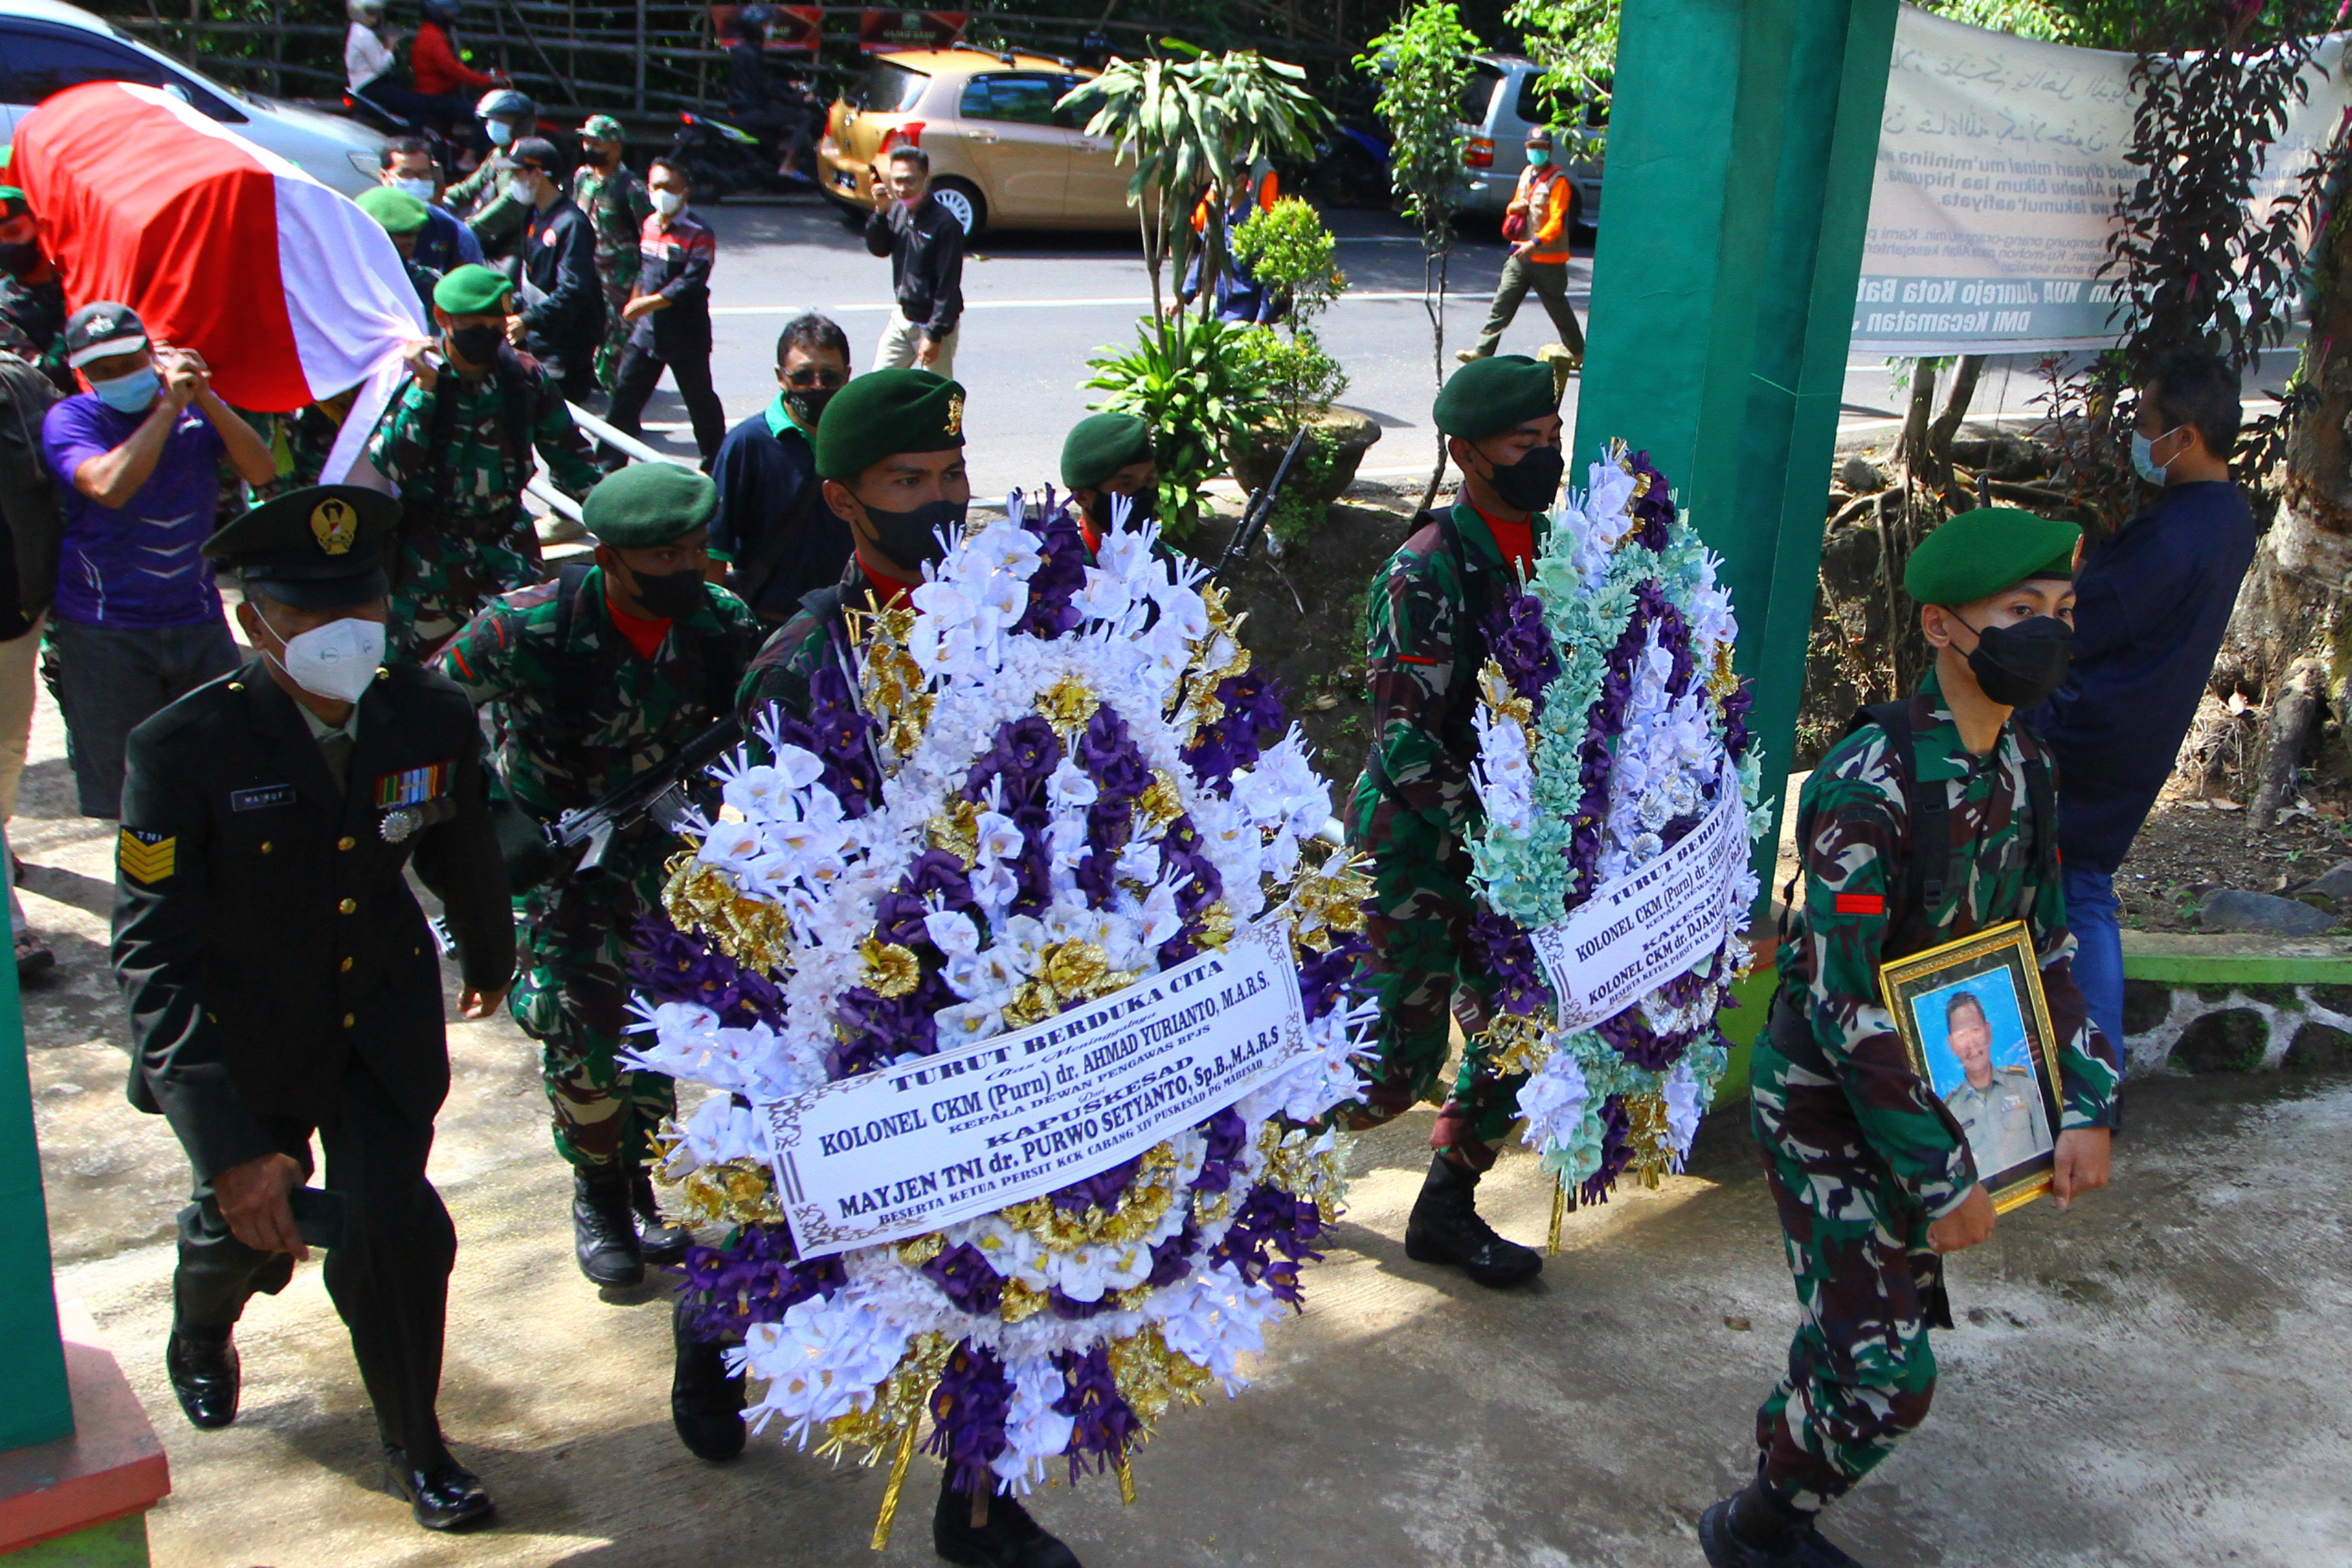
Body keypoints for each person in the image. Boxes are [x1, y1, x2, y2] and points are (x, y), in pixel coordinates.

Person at [1699, 506, 2119, 1568]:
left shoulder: (2026, 767)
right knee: (1893, 1381)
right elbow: (1843, 1004)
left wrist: (2087, 1102)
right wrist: (1941, 1176)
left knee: (1862, 1331)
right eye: (2020, 612)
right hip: (1831, 1103)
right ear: (1940, 626)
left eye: (2060, 612)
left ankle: (1799, 1423)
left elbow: (2048, 946)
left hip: (1932, 1082)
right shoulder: (1864, 782)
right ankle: (1755, 1528)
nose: (2048, 632)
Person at [723, 371, 1081, 1567]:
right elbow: (773, 900)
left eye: (952, 473)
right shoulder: (800, 664)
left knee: (1010, 1248)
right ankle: (706, 1325)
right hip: (869, 1026)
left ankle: (980, 1498)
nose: (942, 499)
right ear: (842, 499)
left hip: (1009, 1002)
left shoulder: (1019, 626)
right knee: (791, 1240)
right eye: (907, 482)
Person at [111, 485, 514, 1531]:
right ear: (256, 623)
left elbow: (456, 838)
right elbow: (153, 955)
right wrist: (226, 1143)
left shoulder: (425, 711)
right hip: (249, 1036)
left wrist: (488, 944)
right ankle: (202, 1324)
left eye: (362, 606)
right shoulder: (183, 748)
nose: (345, 633)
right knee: (246, 1227)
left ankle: (417, 1445)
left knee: (397, 1233)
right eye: (312, 614)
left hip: (376, 1018)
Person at [437, 463, 758, 1292]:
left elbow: (765, 729)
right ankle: (597, 1188)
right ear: (609, 556)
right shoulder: (528, 627)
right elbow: (426, 711)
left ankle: (640, 1178)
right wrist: (493, 821)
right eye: (662, 559)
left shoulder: (720, 624)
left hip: (667, 860)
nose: (687, 570)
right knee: (581, 1027)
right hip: (560, 863)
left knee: (660, 1024)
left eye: (696, 549)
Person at [1343, 354, 1562, 1290]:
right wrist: (1493, 840)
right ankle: (1249, 1160)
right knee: (1392, 1062)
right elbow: (1404, 741)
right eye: (1525, 442)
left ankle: (1445, 1209)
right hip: (1421, 849)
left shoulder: (1555, 550)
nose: (1546, 455)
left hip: (1516, 854)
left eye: (1552, 436)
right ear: (1468, 454)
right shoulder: (1427, 569)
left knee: (1519, 1025)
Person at [2027, 348, 2257, 1061]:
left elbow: (2086, 623)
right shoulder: (2229, 517)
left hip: (2091, 739)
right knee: (2076, 888)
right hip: (2137, 735)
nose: (2138, 437)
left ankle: (2093, 1079)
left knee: (2079, 889)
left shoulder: (2175, 535)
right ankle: (2083, 1075)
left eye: (2147, 423)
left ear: (2185, 438)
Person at [40, 304, 276, 820]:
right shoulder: (72, 419)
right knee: (130, 792)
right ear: (83, 374)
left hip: (196, 622)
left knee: (228, 771)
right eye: (104, 370)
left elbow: (261, 469)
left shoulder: (197, 411)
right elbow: (108, 485)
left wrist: (207, 398)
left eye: (130, 360)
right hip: (107, 634)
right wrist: (167, 410)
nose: (121, 376)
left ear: (152, 355)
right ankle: (150, 893)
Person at [366, 264, 600, 660]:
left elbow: (570, 455)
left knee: (524, 657)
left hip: (506, 544)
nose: (488, 333)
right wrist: (424, 390)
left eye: (496, 322)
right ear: (443, 319)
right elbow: (390, 463)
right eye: (474, 322)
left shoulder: (523, 376)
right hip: (430, 556)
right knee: (424, 669)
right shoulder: (412, 376)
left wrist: (614, 519)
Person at [708, 313, 850, 623]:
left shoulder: (863, 439)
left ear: (847, 377)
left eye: (829, 377)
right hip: (773, 624)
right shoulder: (747, 444)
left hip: (851, 622)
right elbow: (714, 552)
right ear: (781, 376)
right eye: (803, 377)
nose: (816, 386)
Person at [602, 158, 724, 466]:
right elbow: (644, 271)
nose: (662, 193)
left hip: (685, 335)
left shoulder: (699, 232)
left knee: (700, 404)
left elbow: (691, 282)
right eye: (656, 186)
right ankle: (607, 468)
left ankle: (718, 464)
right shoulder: (649, 225)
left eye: (670, 187)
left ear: (685, 192)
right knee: (624, 400)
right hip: (647, 333)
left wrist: (650, 302)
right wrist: (635, 303)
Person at [1459, 129, 1585, 368]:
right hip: (1520, 255)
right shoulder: (1527, 174)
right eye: (1532, 146)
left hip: (1548, 259)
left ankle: (1579, 353)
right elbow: (1516, 206)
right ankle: (1482, 351)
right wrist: (1513, 209)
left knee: (1558, 310)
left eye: (1541, 147)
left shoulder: (1558, 181)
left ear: (1549, 150)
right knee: (1502, 302)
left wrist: (1535, 243)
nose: (1536, 151)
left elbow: (1557, 221)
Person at [505, 137, 604, 402]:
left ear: (537, 173)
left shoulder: (571, 224)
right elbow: (531, 279)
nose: (510, 181)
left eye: (515, 173)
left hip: (564, 347)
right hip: (538, 341)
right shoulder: (534, 215)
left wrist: (528, 320)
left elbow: (573, 290)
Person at [864, 146, 964, 377]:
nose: (902, 189)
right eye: (896, 181)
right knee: (878, 385)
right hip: (903, 318)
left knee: (935, 395)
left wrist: (934, 335)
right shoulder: (898, 211)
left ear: (926, 180)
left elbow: (947, 285)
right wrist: (880, 213)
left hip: (933, 325)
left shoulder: (945, 225)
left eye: (910, 181)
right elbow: (879, 248)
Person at [570, 115, 653, 390]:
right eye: (586, 141)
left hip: (621, 277)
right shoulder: (583, 177)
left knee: (616, 339)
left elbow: (649, 242)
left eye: (596, 142)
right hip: (587, 272)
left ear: (616, 147)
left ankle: (619, 400)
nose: (588, 147)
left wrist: (640, 288)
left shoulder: (631, 189)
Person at [1938, 991, 2052, 1178]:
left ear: (1988, 1032)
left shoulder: (2023, 1085)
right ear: (1952, 1045)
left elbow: (2047, 1150)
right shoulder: (1950, 1111)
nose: (1971, 1044)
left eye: (1975, 1030)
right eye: (1961, 1035)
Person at [444, 88, 535, 260]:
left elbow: (509, 205)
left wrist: (467, 229)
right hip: (493, 240)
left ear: (520, 124)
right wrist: (439, 200)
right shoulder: (499, 154)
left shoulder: (530, 159)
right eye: (490, 120)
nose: (493, 125)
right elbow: (469, 188)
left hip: (518, 248)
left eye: (501, 120)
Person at [377, 138, 485, 275]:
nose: (416, 181)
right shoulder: (365, 222)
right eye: (406, 174)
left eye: (423, 174)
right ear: (384, 176)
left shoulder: (455, 233)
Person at [0, 187, 70, 394]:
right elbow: (39, 377)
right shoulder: (4, 307)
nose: (5, 245)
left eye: (14, 232)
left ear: (39, 226)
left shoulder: (77, 278)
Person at [1060, 410, 1156, 551]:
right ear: (1082, 497)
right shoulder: (1056, 567)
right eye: (1126, 485)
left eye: (1149, 479)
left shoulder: (1169, 564)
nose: (1143, 493)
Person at [343, 0, 440, 137]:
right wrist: (391, 46)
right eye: (371, 12)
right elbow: (380, 66)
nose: (376, 17)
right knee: (419, 105)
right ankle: (413, 143)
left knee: (411, 102)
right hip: (371, 85)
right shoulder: (364, 34)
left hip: (367, 85)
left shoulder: (357, 31)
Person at [408, 0, 502, 140]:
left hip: (432, 96)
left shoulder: (429, 33)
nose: (451, 16)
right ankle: (468, 159)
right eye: (448, 13)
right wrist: (487, 80)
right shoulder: (432, 37)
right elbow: (453, 70)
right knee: (485, 116)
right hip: (435, 98)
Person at [355, 186, 444, 316]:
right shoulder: (344, 279)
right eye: (402, 234)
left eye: (415, 233)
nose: (410, 242)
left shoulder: (426, 282)